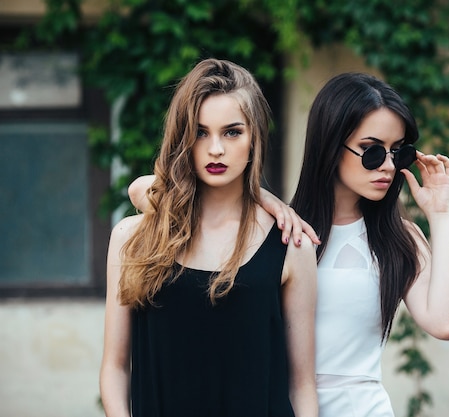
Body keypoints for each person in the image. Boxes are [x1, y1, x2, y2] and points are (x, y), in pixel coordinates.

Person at [129, 71, 449, 416]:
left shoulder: (398, 239)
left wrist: (441, 215)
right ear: (332, 145)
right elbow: (149, 190)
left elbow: (447, 323)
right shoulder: (281, 231)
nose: (387, 166)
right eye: (371, 151)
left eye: (398, 153)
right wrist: (262, 197)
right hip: (277, 402)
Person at [100, 58, 318, 417]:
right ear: (182, 139)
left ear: (254, 139)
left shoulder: (291, 245)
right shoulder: (131, 238)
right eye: (201, 132)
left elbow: (302, 384)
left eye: (232, 132)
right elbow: (114, 368)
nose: (215, 149)